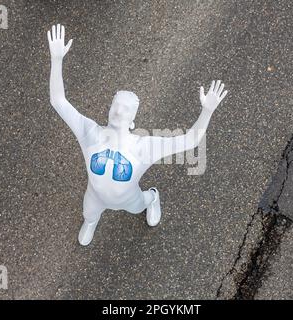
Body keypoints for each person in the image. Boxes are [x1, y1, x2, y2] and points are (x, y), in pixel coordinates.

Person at [47, 24, 228, 246]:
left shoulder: (143, 147)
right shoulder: (89, 132)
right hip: (95, 196)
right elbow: (58, 101)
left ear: (133, 120)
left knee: (139, 204)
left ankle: (153, 197)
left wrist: (207, 110)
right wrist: (56, 60)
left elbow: (190, 140)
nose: (118, 111)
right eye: (115, 105)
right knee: (89, 212)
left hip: (130, 198)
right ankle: (92, 221)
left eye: (125, 108)